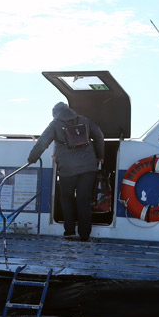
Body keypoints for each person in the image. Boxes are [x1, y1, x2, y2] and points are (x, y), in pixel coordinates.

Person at [28, 102, 105, 241]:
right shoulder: (84, 120)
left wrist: (32, 158)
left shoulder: (55, 124)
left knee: (67, 198)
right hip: (88, 167)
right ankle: (85, 234)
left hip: (67, 168)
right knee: (84, 199)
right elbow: (99, 136)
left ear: (55, 114)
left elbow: (42, 143)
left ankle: (69, 231)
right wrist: (100, 156)